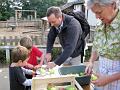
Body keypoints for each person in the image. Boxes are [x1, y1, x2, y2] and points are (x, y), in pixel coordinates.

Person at [85, 0, 120, 90]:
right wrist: (91, 61)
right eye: (94, 13)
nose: (97, 17)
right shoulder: (99, 25)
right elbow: (96, 45)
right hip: (101, 76)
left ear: (112, 5)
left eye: (99, 12)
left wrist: (109, 79)